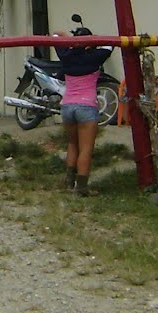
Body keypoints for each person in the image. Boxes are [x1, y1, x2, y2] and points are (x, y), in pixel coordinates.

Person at [55, 16, 113, 196]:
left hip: (67, 106)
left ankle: (68, 181)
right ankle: (81, 188)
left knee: (72, 144)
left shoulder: (65, 55)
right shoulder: (96, 57)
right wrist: (91, 40)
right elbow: (109, 43)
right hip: (87, 107)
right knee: (86, 149)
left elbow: (56, 36)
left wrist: (71, 41)